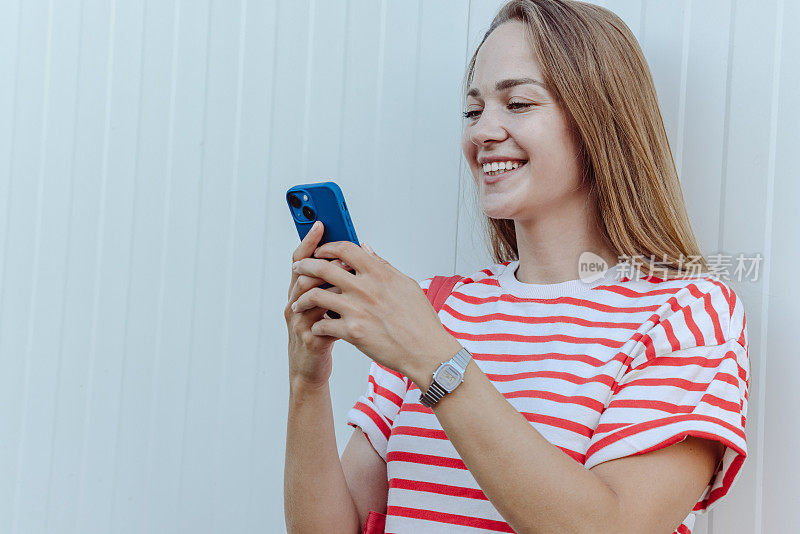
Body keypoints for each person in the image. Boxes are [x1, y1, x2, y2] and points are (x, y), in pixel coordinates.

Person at [284, 0, 750, 532]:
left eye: (519, 103)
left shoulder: (684, 315)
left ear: (600, 120)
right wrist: (308, 381)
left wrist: (435, 358)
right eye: (473, 109)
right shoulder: (432, 306)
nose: (483, 131)